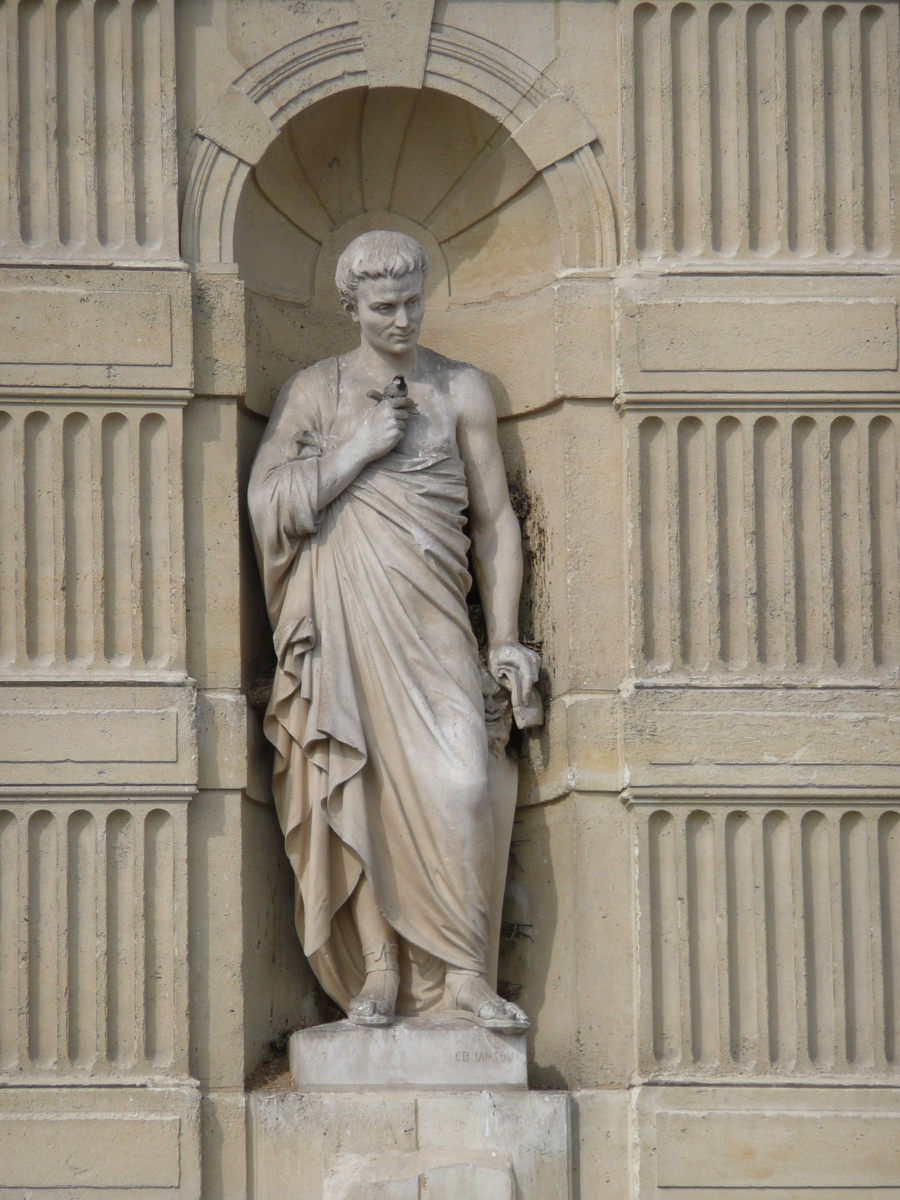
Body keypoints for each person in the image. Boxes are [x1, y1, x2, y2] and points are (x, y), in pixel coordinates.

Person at [248, 230, 539, 1033]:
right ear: (350, 308)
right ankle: (378, 972)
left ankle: (468, 974)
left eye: (413, 301)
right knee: (358, 784)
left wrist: (505, 638)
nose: (403, 319)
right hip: (345, 618)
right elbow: (268, 505)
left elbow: (493, 522)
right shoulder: (318, 392)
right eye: (384, 308)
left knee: (464, 784)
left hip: (435, 618)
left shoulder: (461, 391)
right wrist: (355, 452)